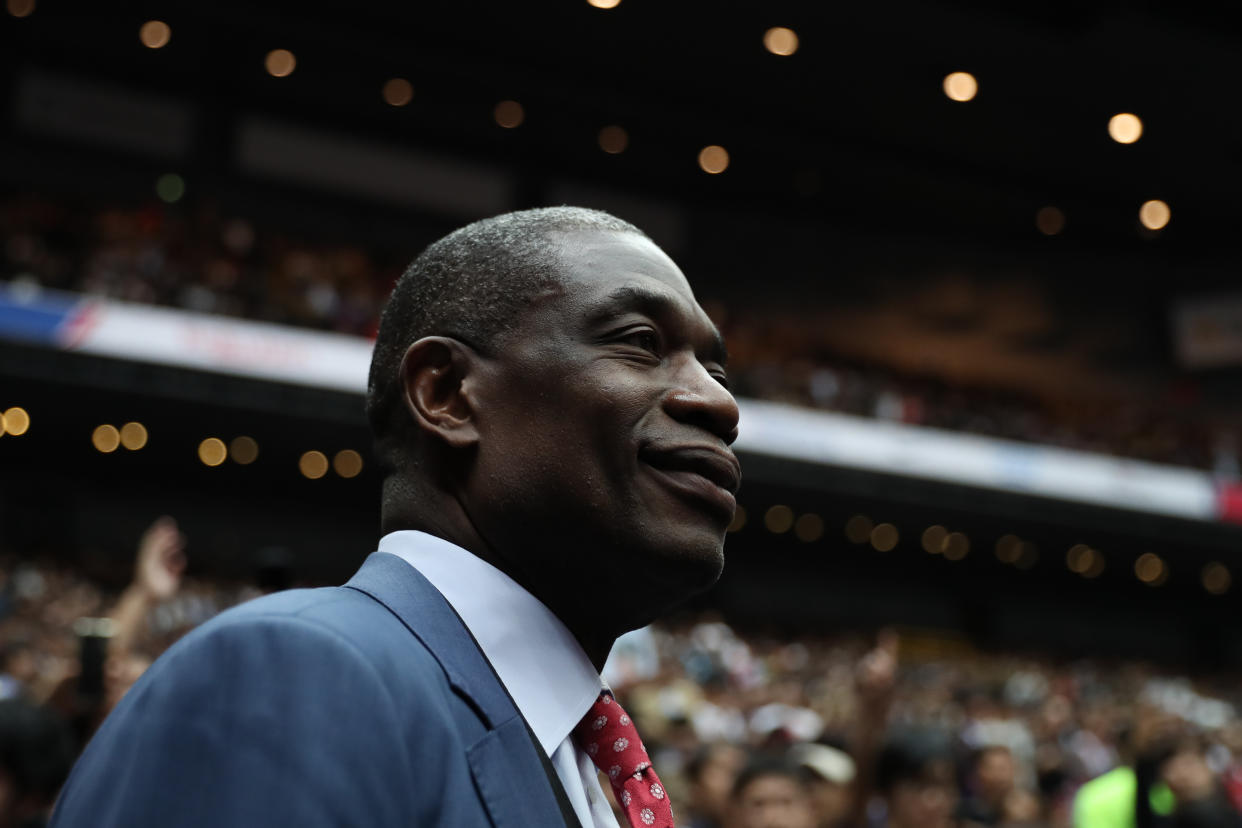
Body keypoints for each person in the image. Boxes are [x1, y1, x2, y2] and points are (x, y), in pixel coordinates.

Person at [49, 206, 741, 828]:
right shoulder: (299, 676)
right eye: (641, 341)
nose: (719, 404)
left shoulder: (585, 763)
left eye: (718, 370)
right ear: (446, 393)